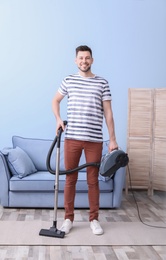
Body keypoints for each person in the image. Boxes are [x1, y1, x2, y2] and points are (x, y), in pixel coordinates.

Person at [52, 45, 118, 235]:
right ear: (76, 60)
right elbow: (55, 100)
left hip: (94, 140)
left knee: (92, 181)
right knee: (70, 179)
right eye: (81, 58)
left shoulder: (102, 83)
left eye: (87, 58)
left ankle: (94, 219)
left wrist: (112, 139)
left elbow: (108, 112)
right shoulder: (69, 80)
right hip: (72, 138)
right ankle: (68, 219)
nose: (84, 61)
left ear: (92, 60)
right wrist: (58, 119)